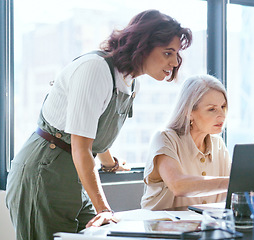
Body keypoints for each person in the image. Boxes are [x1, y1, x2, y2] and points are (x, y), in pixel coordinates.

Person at [6, 10, 192, 240]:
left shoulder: (131, 84)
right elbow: (81, 146)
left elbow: (92, 131)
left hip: (74, 177)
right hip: (44, 174)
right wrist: (104, 209)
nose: (174, 63)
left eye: (176, 55)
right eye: (168, 53)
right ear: (143, 45)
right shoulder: (96, 69)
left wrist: (109, 163)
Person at [141, 74, 230, 210]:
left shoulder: (218, 145)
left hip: (203, 227)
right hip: (161, 227)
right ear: (189, 112)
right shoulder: (165, 138)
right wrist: (232, 183)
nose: (222, 115)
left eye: (223, 107)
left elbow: (237, 191)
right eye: (212, 109)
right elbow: (178, 185)